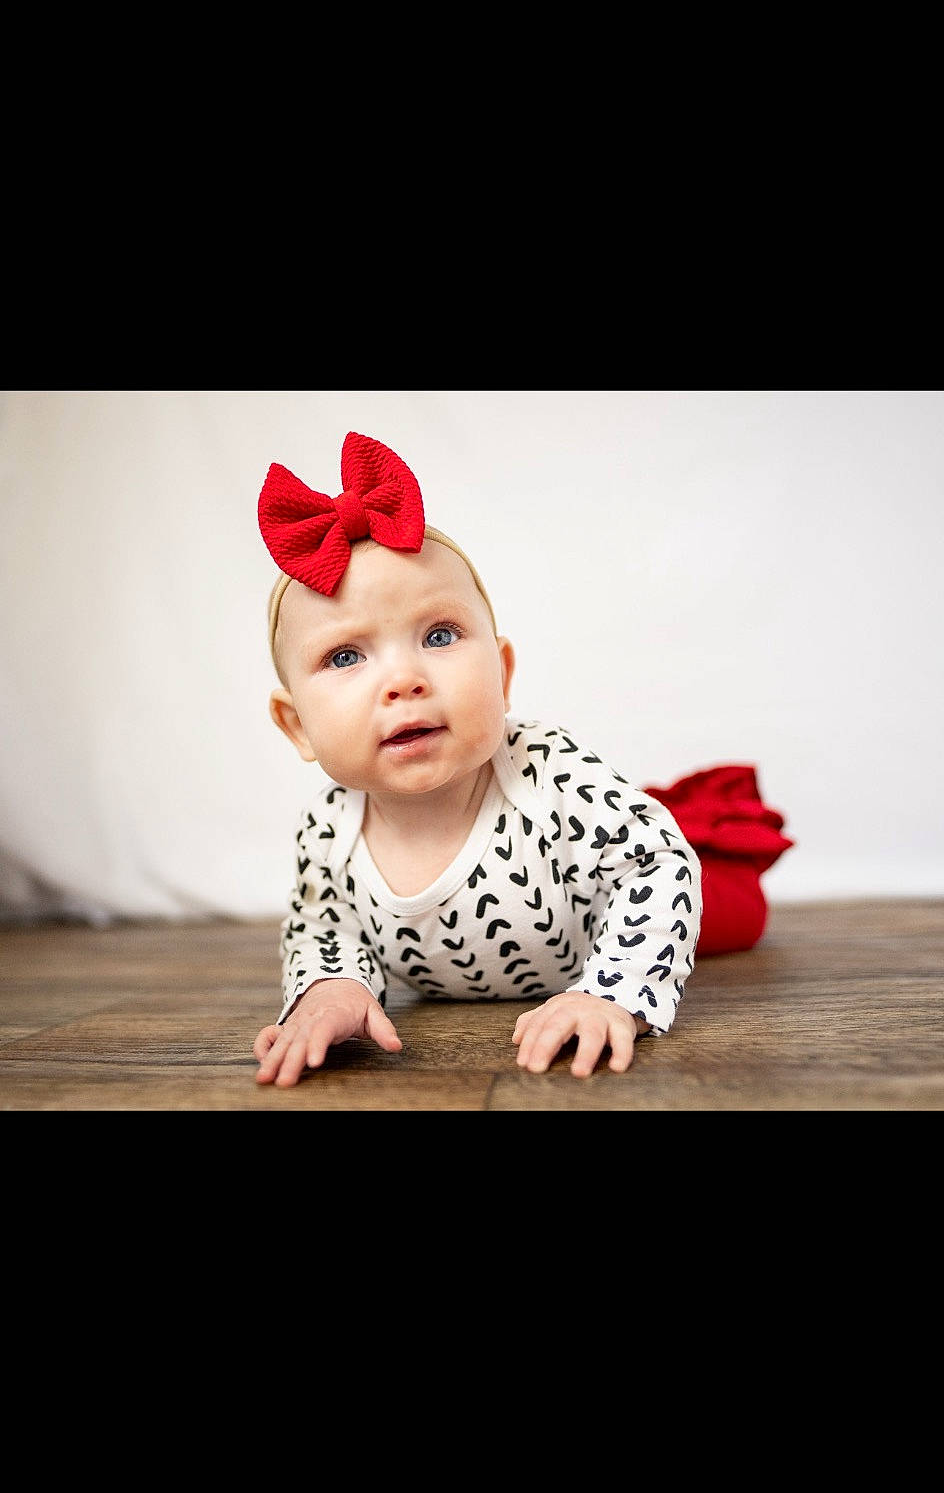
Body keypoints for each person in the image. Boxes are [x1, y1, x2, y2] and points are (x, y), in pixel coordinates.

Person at [252, 430, 703, 1089]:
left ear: (503, 674)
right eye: (346, 656)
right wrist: (331, 989)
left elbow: (657, 865)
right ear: (298, 727)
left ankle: (706, 821)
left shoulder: (547, 773)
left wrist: (613, 993)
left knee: (727, 903)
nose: (403, 679)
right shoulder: (328, 833)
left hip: (599, 932)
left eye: (439, 636)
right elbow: (325, 927)